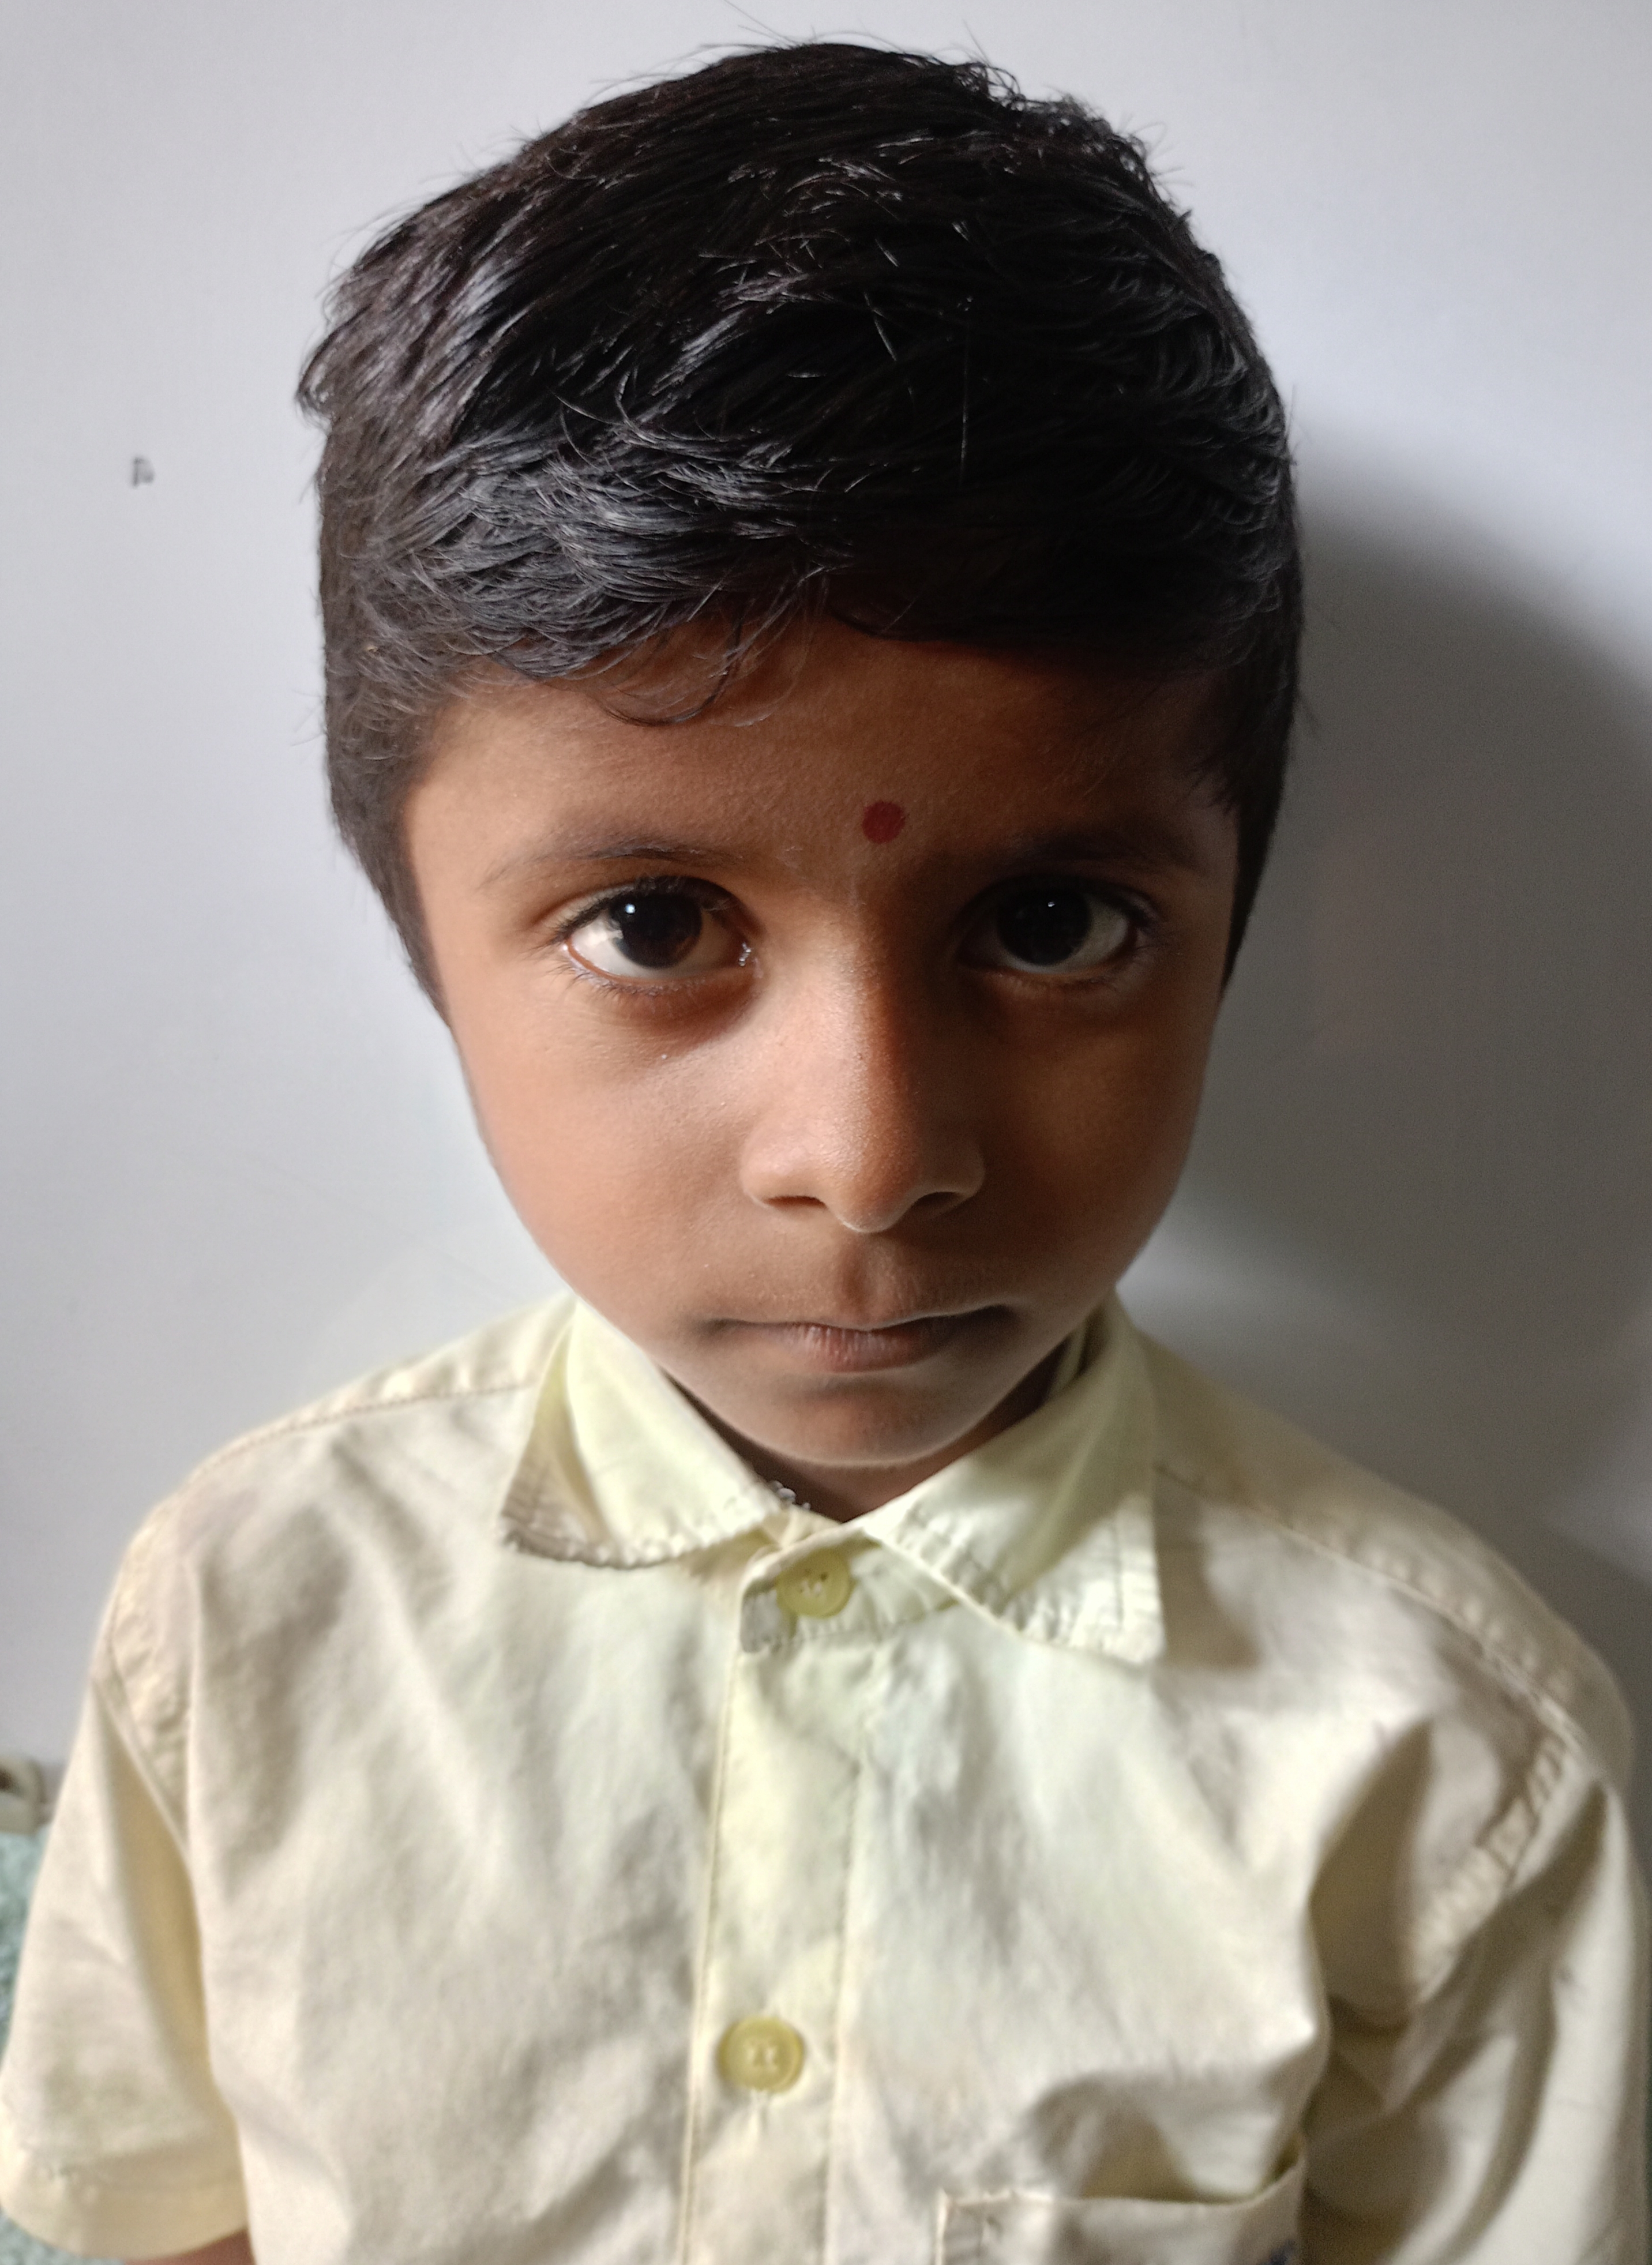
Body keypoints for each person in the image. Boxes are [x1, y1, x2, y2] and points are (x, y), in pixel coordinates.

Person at [0, 39, 1643, 2265]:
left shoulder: (1447, 1756)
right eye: (655, 927)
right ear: (423, 941)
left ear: (1237, 922)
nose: (870, 1163)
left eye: (1048, 925)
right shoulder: (245, 1618)